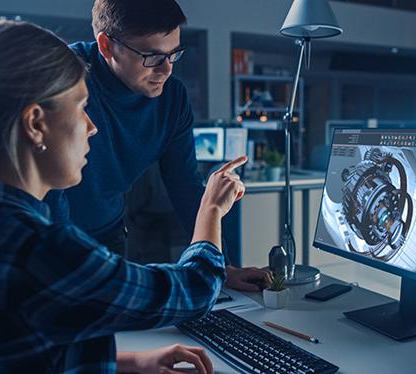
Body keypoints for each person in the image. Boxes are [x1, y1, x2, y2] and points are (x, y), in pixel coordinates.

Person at [0, 20, 245, 373]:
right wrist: (212, 209)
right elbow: (194, 289)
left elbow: (19, 345)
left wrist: (128, 362)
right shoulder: (42, 251)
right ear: (35, 124)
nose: (92, 126)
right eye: (81, 107)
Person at [44, 0, 270, 291]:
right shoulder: (65, 80)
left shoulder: (172, 99)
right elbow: (48, 188)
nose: (165, 70)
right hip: (50, 235)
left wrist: (222, 265)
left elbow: (185, 184)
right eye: (151, 56)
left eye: (173, 54)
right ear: (106, 46)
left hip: (108, 234)